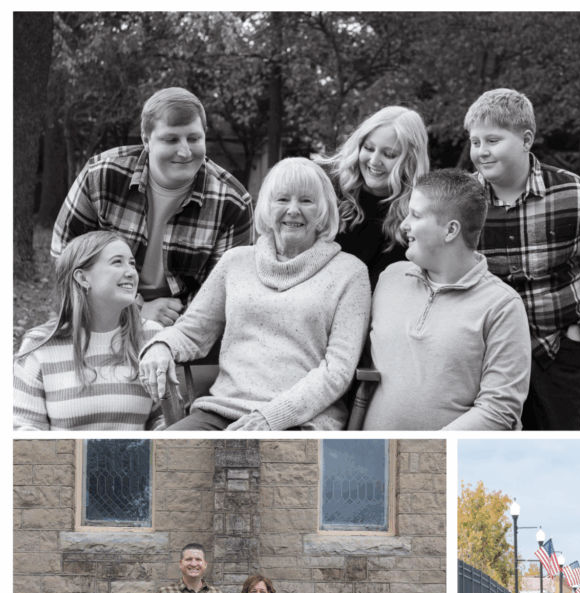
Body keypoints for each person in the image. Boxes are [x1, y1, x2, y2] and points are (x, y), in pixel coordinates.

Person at [139, 157, 371, 430]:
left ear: (323, 210)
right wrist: (161, 345)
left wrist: (272, 417)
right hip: (222, 411)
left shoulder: (350, 272)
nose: (293, 210)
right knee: (163, 459)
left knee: (250, 467)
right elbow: (192, 331)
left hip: (304, 421)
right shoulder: (236, 262)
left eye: (306, 201)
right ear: (267, 207)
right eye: (282, 199)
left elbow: (338, 370)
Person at [467, 88, 580, 430]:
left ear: (526, 139)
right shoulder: (464, 201)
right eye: (475, 142)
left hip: (558, 354)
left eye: (492, 140)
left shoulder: (573, 194)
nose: (481, 152)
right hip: (483, 359)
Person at [51, 87, 254, 328]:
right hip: (96, 314)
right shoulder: (102, 176)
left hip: (181, 327)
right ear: (147, 140)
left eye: (194, 138)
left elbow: (226, 295)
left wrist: (161, 325)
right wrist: (135, 311)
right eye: (171, 139)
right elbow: (64, 262)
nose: (185, 151)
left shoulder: (233, 202)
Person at [363, 168, 531, 430]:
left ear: (451, 230)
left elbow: (499, 411)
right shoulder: (389, 279)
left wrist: (430, 452)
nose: (404, 224)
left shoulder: (502, 306)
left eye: (416, 215)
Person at [15, 231, 164, 430]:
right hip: (65, 460)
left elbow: (163, 420)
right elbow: (25, 429)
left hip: (136, 459)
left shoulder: (152, 337)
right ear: (83, 277)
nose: (131, 272)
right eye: (117, 262)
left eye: (132, 263)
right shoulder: (40, 346)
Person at [321, 106, 430, 290]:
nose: (373, 161)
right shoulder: (329, 190)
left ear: (410, 161)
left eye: (389, 154)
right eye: (369, 148)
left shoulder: (420, 212)